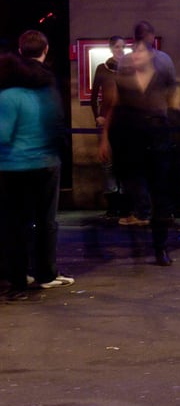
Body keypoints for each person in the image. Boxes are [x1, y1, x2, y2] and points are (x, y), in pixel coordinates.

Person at [99, 21, 180, 266]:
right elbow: (114, 103)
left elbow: (172, 98)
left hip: (157, 133)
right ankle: (145, 215)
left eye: (143, 50)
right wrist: (105, 137)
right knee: (135, 182)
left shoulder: (162, 66)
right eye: (137, 50)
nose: (139, 55)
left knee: (160, 193)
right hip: (132, 134)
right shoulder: (124, 70)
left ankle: (160, 246)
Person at [0, 31, 73, 300]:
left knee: (16, 225)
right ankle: (47, 273)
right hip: (47, 163)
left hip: (12, 167)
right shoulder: (47, 91)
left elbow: (3, 135)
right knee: (46, 221)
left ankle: (19, 279)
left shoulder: (8, 96)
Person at [90, 35, 126, 217]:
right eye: (117, 47)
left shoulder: (128, 69)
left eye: (123, 47)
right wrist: (98, 116)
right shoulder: (102, 69)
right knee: (107, 162)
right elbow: (94, 96)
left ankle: (124, 201)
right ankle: (113, 203)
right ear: (112, 48)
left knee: (123, 160)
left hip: (123, 121)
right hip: (106, 120)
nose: (120, 50)